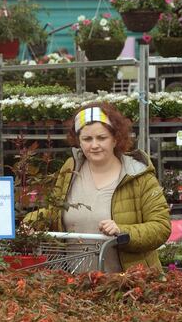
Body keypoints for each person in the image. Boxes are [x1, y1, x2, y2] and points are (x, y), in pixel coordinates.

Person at [25, 102, 170, 272]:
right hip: (74, 283)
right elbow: (55, 212)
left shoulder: (138, 175)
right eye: (87, 139)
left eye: (102, 138)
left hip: (128, 285)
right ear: (78, 141)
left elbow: (161, 227)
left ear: (115, 139)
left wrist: (122, 231)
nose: (94, 145)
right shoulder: (71, 168)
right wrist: (31, 222)